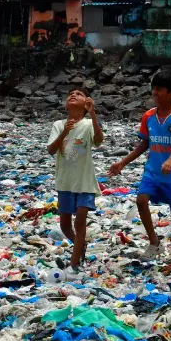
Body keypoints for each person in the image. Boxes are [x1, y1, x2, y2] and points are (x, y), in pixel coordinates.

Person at [109, 71, 171, 261]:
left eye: (159, 89)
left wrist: (170, 159)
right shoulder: (148, 116)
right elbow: (144, 144)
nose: (154, 92)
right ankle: (154, 243)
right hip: (152, 171)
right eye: (154, 88)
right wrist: (123, 162)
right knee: (141, 200)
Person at [47, 87, 104, 273]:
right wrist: (64, 132)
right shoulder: (58, 124)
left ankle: (74, 264)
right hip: (65, 182)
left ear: (86, 104)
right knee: (65, 225)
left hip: (84, 182)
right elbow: (51, 150)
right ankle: (80, 245)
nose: (73, 95)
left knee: (80, 221)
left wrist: (94, 115)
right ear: (66, 105)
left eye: (79, 94)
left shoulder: (88, 124)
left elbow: (98, 140)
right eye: (70, 94)